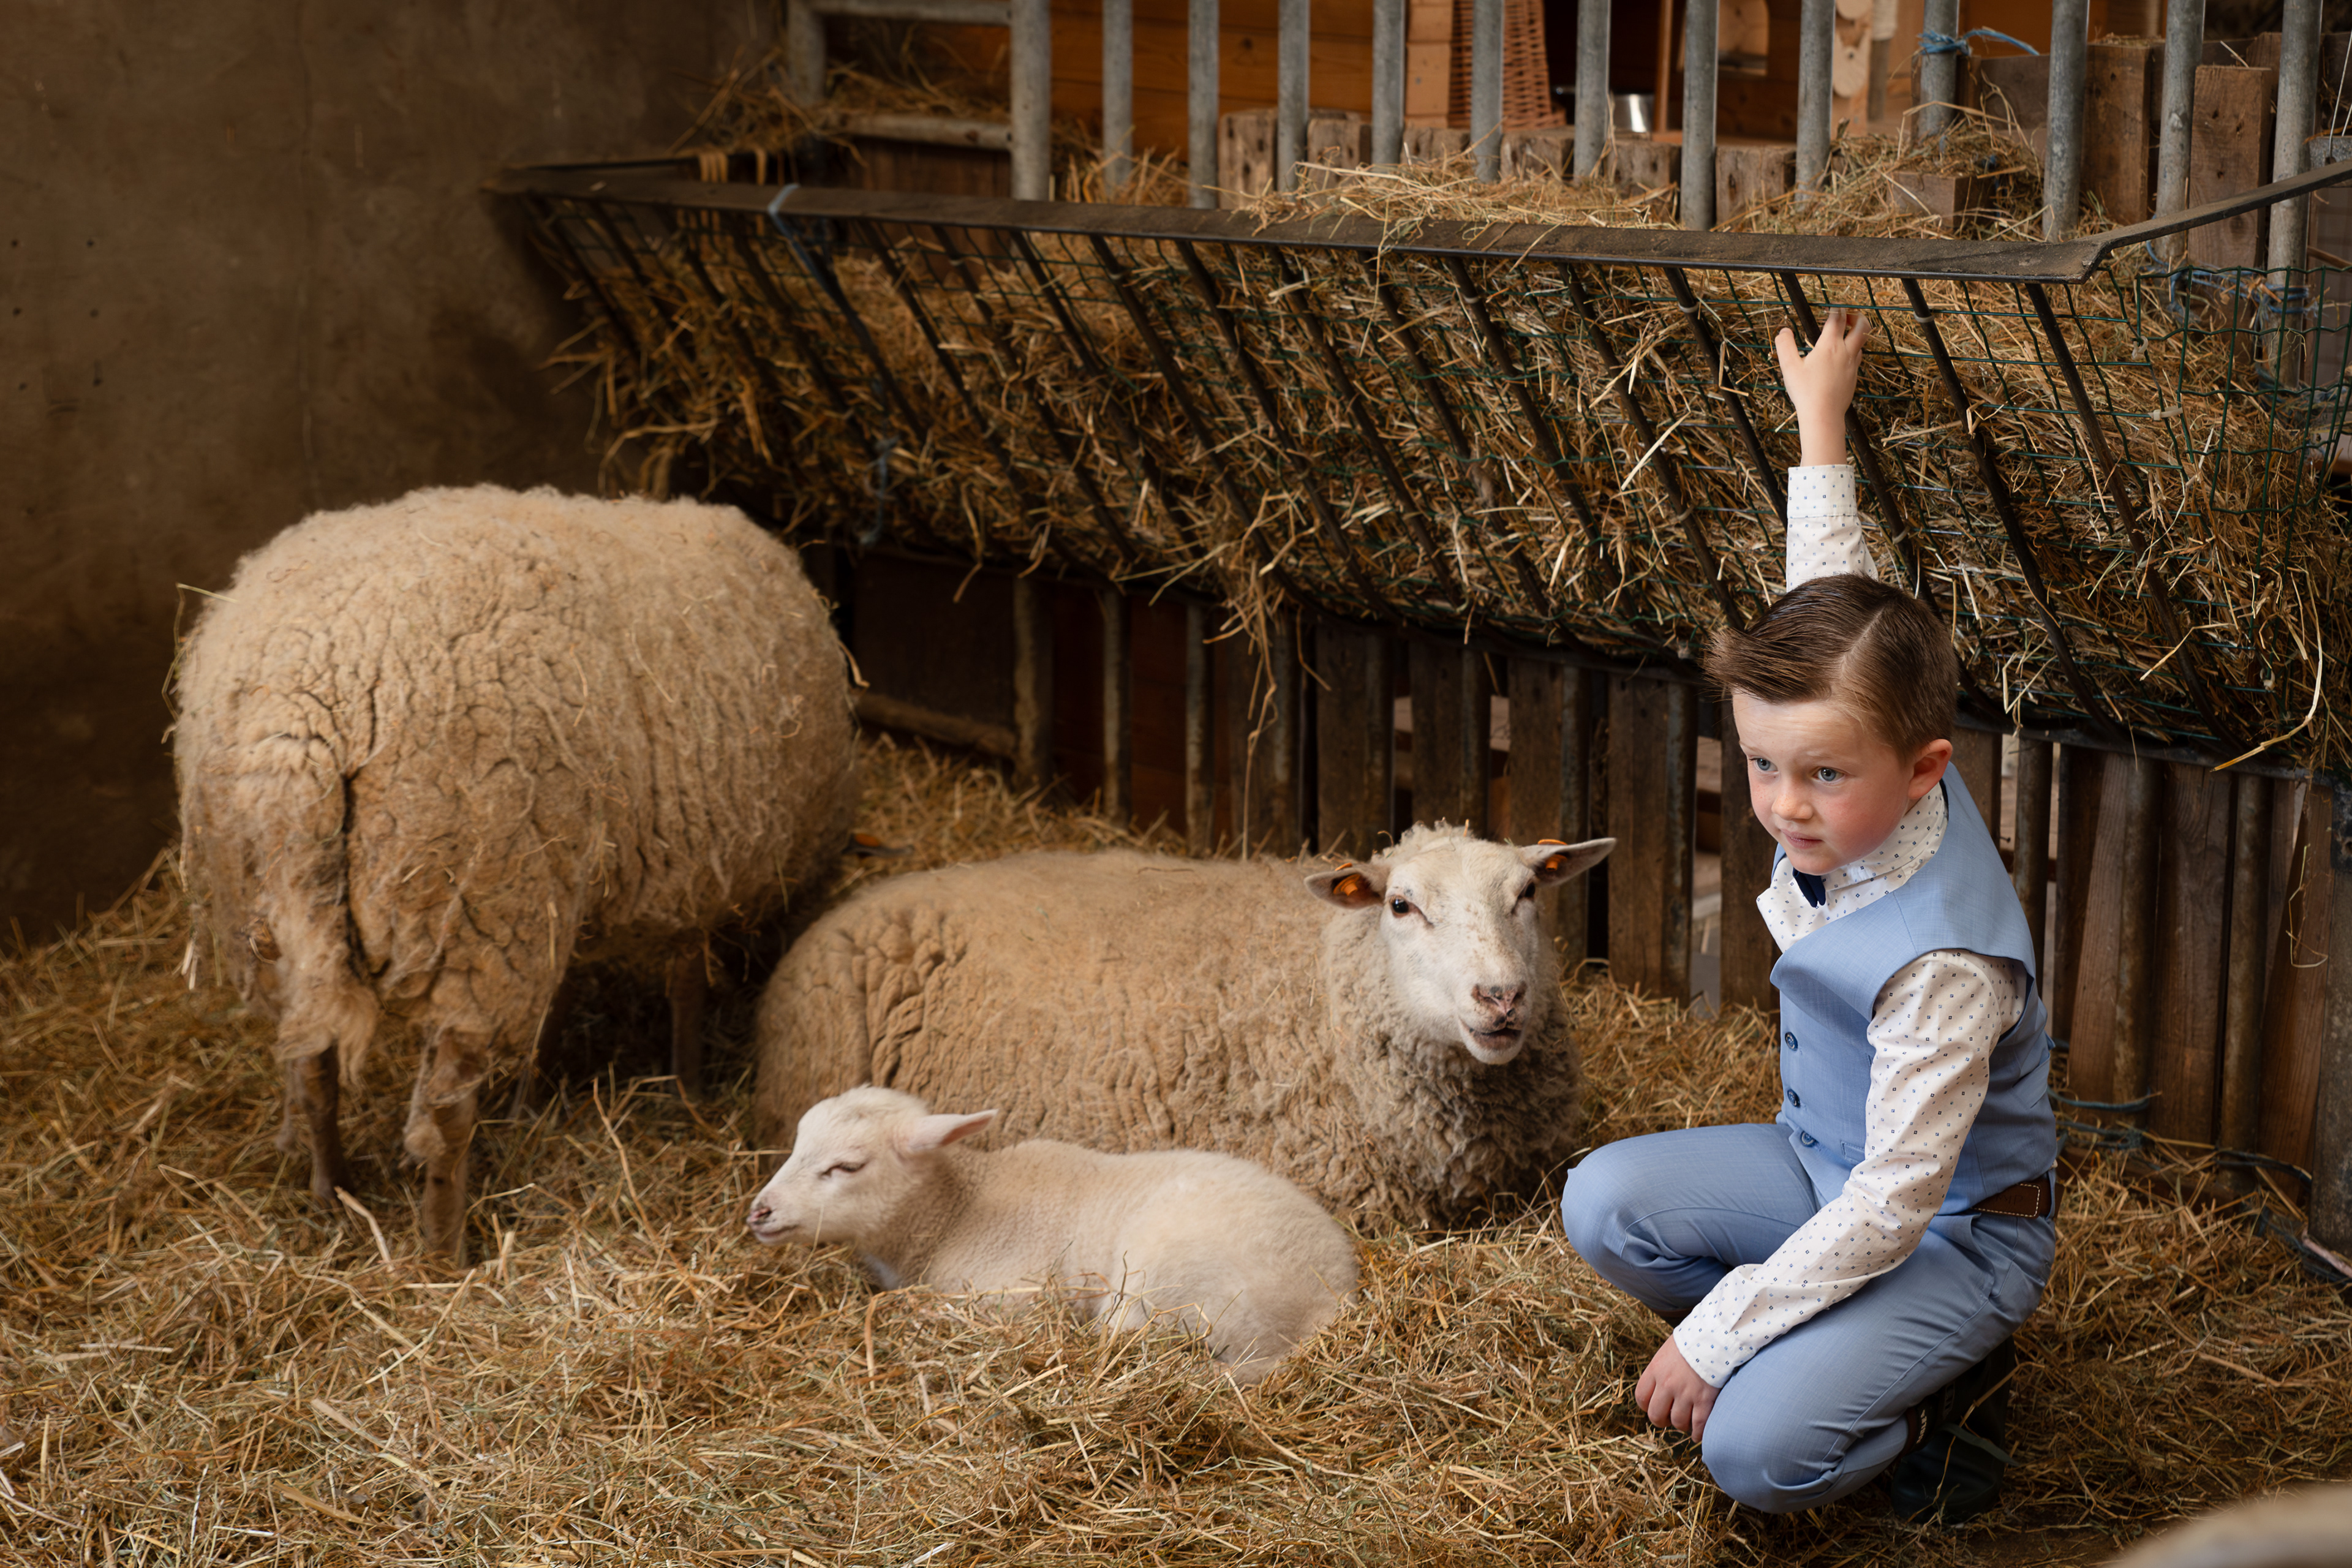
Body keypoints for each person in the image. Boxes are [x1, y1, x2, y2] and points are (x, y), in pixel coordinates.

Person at [1557, 307, 2060, 1524]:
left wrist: (1721, 1336)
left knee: (1754, 1451)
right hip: (1824, 1165)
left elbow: (1897, 1200)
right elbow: (1823, 596)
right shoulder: (1848, 721)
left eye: (1824, 774)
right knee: (1602, 1202)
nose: (1785, 804)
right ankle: (1824, 1332)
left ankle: (1945, 1411)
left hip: (1947, 1227)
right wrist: (1819, 421)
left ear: (1926, 765)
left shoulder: (1943, 961)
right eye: (1762, 762)